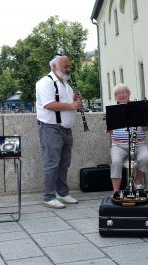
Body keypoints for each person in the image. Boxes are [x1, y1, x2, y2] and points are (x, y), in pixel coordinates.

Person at [36, 55, 82, 209]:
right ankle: (49, 196)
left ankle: (62, 193)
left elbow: (68, 104)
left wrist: (75, 101)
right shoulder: (45, 83)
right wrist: (73, 105)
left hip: (66, 129)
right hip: (51, 128)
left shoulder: (66, 85)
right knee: (51, 164)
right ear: (54, 67)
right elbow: (49, 105)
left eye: (69, 66)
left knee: (64, 163)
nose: (68, 69)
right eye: (65, 66)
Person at [108, 84, 148, 193]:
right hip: (118, 145)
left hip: (138, 143)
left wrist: (143, 121)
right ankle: (116, 191)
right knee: (116, 162)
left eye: (123, 92)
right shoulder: (113, 110)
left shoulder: (139, 108)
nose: (121, 95)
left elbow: (147, 128)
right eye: (118, 93)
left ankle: (137, 180)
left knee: (145, 157)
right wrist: (108, 130)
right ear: (115, 97)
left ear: (129, 93)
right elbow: (109, 130)